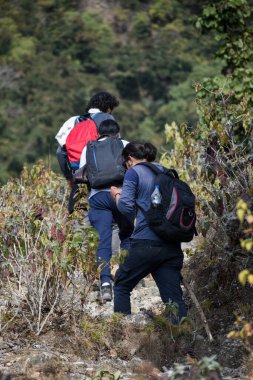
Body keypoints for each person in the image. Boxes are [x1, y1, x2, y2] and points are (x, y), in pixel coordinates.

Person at [110, 141, 187, 323]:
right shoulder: (166, 172)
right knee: (173, 299)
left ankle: (123, 332)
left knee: (122, 284)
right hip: (171, 244)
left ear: (129, 159)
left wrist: (116, 195)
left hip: (146, 243)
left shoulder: (133, 172)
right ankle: (184, 341)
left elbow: (126, 208)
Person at [80, 119, 135, 302]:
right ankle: (124, 277)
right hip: (120, 194)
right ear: (117, 133)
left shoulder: (89, 147)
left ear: (98, 133)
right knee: (126, 234)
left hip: (98, 198)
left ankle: (104, 283)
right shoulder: (124, 144)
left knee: (103, 240)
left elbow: (83, 175)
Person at [55, 91, 119, 214]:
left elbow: (60, 153)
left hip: (78, 178)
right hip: (103, 179)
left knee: (78, 217)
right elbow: (115, 147)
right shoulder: (108, 118)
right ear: (108, 108)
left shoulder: (72, 121)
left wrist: (69, 177)